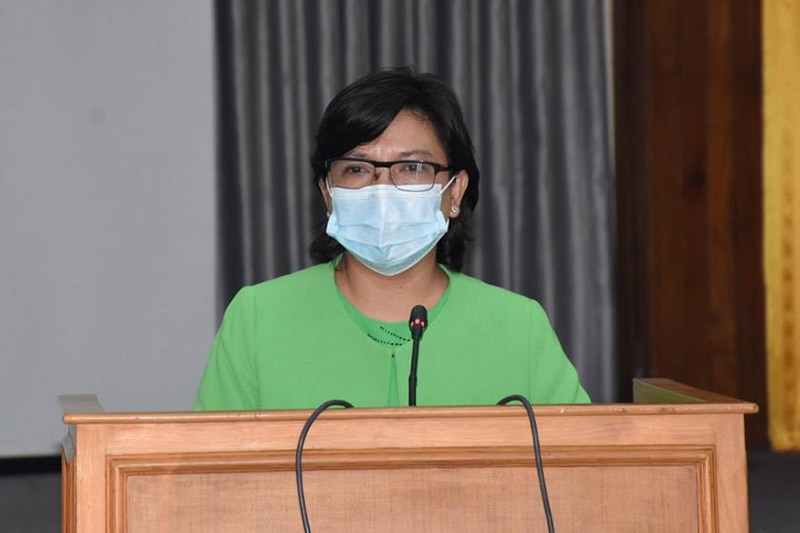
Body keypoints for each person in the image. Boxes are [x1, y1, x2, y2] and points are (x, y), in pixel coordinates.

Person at [194, 67, 590, 411]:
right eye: (357, 169)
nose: (382, 188)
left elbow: (586, 461)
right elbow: (211, 468)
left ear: (454, 191)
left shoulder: (518, 327)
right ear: (328, 193)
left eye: (412, 167)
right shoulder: (258, 319)